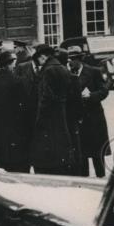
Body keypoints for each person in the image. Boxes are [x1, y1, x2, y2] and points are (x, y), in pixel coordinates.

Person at [30, 44, 79, 175]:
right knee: (61, 141)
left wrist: (39, 118)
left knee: (48, 145)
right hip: (62, 111)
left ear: (43, 56)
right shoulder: (62, 68)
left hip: (49, 115)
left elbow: (46, 97)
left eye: (39, 59)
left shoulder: (48, 70)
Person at [67, 45, 111, 177]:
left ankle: (101, 177)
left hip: (94, 118)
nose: (70, 62)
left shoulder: (94, 71)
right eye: (69, 59)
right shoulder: (68, 73)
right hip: (78, 118)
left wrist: (91, 96)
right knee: (82, 153)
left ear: (80, 60)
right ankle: (84, 179)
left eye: (73, 59)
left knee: (97, 153)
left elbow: (104, 91)